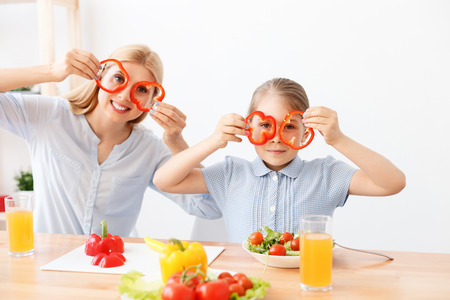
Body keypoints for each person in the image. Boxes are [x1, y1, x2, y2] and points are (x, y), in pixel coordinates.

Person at [0, 44, 221, 236]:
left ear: (153, 100)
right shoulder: (49, 116)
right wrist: (52, 71)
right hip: (48, 269)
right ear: (100, 75)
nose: (125, 95)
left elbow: (209, 207)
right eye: (119, 78)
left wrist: (176, 142)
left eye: (141, 89)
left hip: (111, 269)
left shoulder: (149, 150)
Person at [153, 78, 406, 243]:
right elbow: (164, 181)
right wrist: (214, 140)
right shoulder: (231, 174)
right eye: (265, 124)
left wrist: (338, 139)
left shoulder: (326, 175)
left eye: (289, 127)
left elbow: (392, 183)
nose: (276, 138)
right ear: (248, 126)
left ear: (306, 132)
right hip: (247, 286)